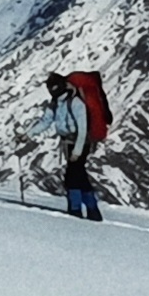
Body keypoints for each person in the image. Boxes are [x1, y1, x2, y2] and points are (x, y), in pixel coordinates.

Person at [42, 72, 102, 220]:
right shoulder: (58, 102)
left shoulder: (75, 103)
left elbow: (83, 128)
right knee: (79, 175)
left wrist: (77, 150)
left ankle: (76, 209)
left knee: (73, 176)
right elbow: (45, 121)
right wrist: (27, 135)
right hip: (71, 143)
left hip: (79, 143)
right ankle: (92, 210)